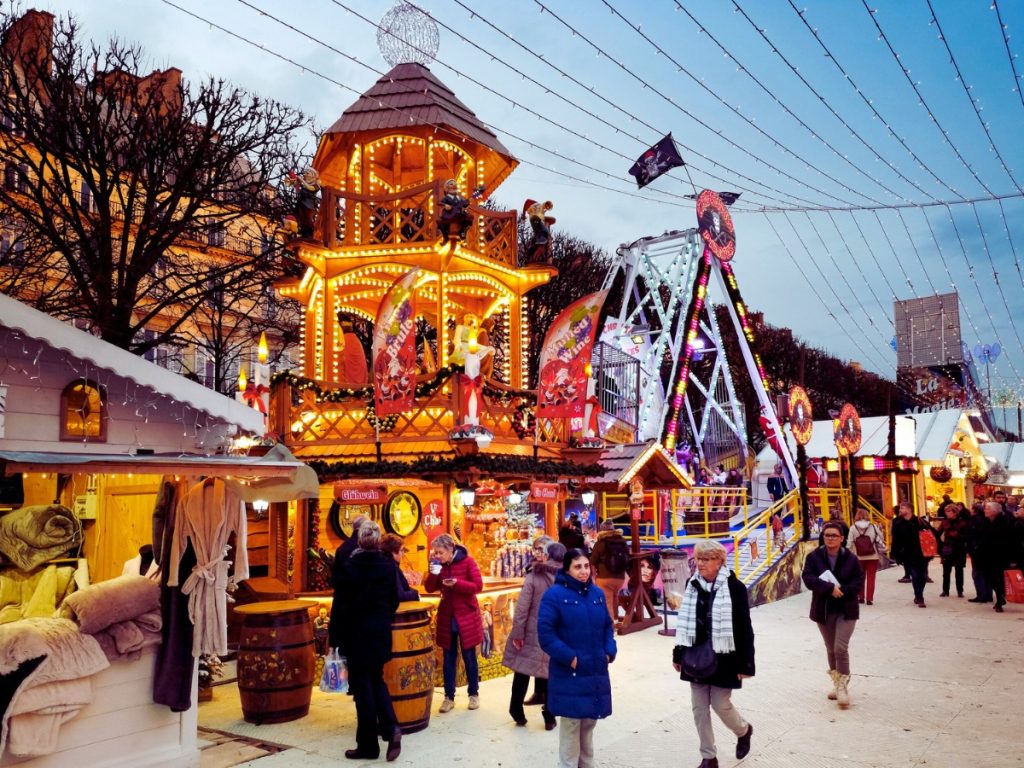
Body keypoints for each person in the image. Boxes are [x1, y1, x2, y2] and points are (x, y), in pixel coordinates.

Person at [672, 539, 754, 768]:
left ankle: (744, 730)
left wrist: (746, 664)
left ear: (720, 561)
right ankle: (708, 757)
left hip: (724, 656)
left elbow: (744, 627)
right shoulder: (692, 584)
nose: (700, 563)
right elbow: (684, 623)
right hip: (695, 655)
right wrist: (678, 654)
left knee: (721, 705)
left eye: (707, 559)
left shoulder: (735, 588)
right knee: (699, 709)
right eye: (698, 558)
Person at [538, 548, 617, 768]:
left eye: (585, 566)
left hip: (595, 669)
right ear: (567, 569)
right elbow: (546, 634)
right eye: (577, 567)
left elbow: (607, 627)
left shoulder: (597, 594)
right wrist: (570, 658)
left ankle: (587, 764)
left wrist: (609, 651)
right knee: (572, 723)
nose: (583, 571)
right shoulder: (554, 595)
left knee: (590, 721)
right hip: (570, 671)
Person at [332, 521, 402, 762]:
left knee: (363, 689)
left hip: (356, 634)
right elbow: (395, 599)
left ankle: (368, 745)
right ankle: (392, 727)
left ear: (359, 540)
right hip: (380, 632)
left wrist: (336, 638)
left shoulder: (349, 567)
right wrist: (382, 617)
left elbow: (339, 607)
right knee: (377, 680)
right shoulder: (388, 566)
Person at [802, 520, 864, 709]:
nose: (829, 538)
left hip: (846, 609)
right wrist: (829, 588)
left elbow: (859, 580)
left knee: (840, 648)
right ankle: (837, 684)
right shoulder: (814, 557)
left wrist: (842, 590)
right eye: (826, 535)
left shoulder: (851, 558)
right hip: (824, 609)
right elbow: (808, 578)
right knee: (830, 649)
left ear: (842, 538)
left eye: (834, 535)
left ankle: (843, 686)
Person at [503, 539, 563, 730]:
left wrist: (518, 633)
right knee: (549, 671)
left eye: (540, 550)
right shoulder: (566, 575)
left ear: (547, 554)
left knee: (522, 669)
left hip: (532, 630)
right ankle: (550, 715)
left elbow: (522, 608)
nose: (537, 553)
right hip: (554, 630)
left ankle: (516, 709)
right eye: (535, 549)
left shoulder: (533, 575)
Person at [424, 533, 484, 712]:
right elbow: (429, 587)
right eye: (435, 552)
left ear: (451, 550)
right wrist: (433, 573)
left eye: (440, 552)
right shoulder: (438, 565)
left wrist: (457, 584)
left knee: (469, 657)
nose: (437, 555)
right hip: (447, 616)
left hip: (466, 615)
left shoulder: (468, 562)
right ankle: (448, 697)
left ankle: (474, 694)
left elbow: (477, 586)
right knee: (448, 657)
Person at [890, 502, 932, 607]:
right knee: (915, 575)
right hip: (908, 553)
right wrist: (895, 553)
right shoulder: (897, 522)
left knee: (923, 576)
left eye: (902, 508)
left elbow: (931, 534)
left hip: (922, 554)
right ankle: (920, 597)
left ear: (909, 510)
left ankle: (918, 594)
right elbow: (895, 540)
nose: (900, 510)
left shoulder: (920, 521)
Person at [974, 501, 1012, 612]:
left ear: (994, 511)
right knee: (989, 577)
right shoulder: (985, 521)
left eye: (987, 509)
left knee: (998, 578)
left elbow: (1010, 540)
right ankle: (1000, 597)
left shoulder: (1004, 522)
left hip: (1000, 556)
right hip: (986, 556)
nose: (985, 511)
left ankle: (1000, 599)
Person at [589, 520, 629, 623]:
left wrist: (593, 576)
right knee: (615, 597)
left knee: (607, 602)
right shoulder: (622, 541)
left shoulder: (600, 542)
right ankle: (615, 619)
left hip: (604, 577)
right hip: (620, 578)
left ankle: (610, 627)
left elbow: (592, 560)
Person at [847, 508, 884, 605]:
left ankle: (861, 597)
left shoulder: (853, 528)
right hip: (873, 556)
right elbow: (881, 538)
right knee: (871, 577)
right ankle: (869, 599)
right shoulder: (873, 526)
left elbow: (849, 543)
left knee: (860, 577)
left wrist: (849, 555)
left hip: (858, 557)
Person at [937, 503, 968, 598]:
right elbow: (937, 533)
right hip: (947, 548)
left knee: (959, 570)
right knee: (946, 571)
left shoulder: (962, 523)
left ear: (955, 512)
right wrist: (940, 546)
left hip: (959, 548)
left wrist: (958, 535)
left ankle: (960, 590)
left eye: (949, 511)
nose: (947, 513)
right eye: (946, 512)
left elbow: (966, 536)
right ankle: (945, 590)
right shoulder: (944, 522)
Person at [381, 533, 420, 602]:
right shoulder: (392, 568)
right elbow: (399, 595)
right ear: (393, 552)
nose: (403, 554)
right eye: (401, 550)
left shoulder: (382, 564)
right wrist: (415, 594)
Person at [966, 502, 992, 603]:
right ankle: (988, 594)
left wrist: (971, 548)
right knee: (986, 573)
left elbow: (971, 536)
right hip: (984, 550)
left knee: (977, 573)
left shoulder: (974, 521)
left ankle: (981, 594)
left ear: (974, 510)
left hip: (977, 550)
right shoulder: (986, 520)